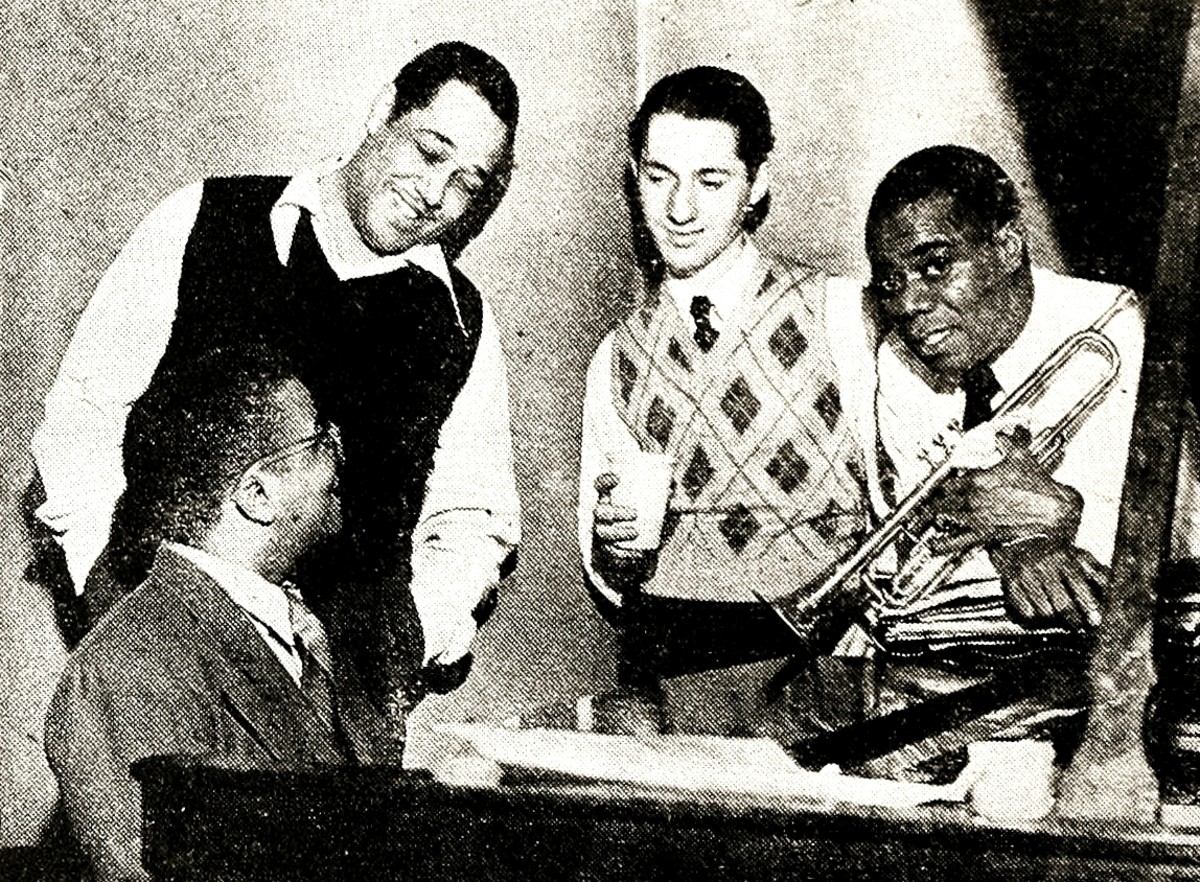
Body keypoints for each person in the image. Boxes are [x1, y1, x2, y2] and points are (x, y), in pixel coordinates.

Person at [32, 42, 522, 704]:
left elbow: (471, 519)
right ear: (383, 111)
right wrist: (115, 594)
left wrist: (399, 644)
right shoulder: (202, 220)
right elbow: (81, 424)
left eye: (467, 181)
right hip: (159, 673)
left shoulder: (462, 320)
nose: (435, 193)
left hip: (340, 712)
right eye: (430, 152)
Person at [815, 145, 1145, 778]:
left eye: (935, 267)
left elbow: (1157, 540)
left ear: (1008, 244)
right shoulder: (903, 359)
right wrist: (1020, 540)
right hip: (949, 683)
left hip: (1106, 693)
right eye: (890, 283)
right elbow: (922, 557)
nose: (909, 305)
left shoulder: (1115, 334)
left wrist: (1068, 515)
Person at [44, 348, 393, 882]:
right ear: (257, 494)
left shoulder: (306, 635)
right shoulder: (131, 665)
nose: (341, 452)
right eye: (322, 437)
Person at [579, 67, 869, 684]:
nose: (679, 209)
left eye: (711, 182)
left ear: (756, 185)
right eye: (659, 178)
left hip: (824, 667)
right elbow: (606, 572)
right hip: (670, 669)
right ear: (636, 177)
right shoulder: (617, 354)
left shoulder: (841, 314)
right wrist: (617, 544)